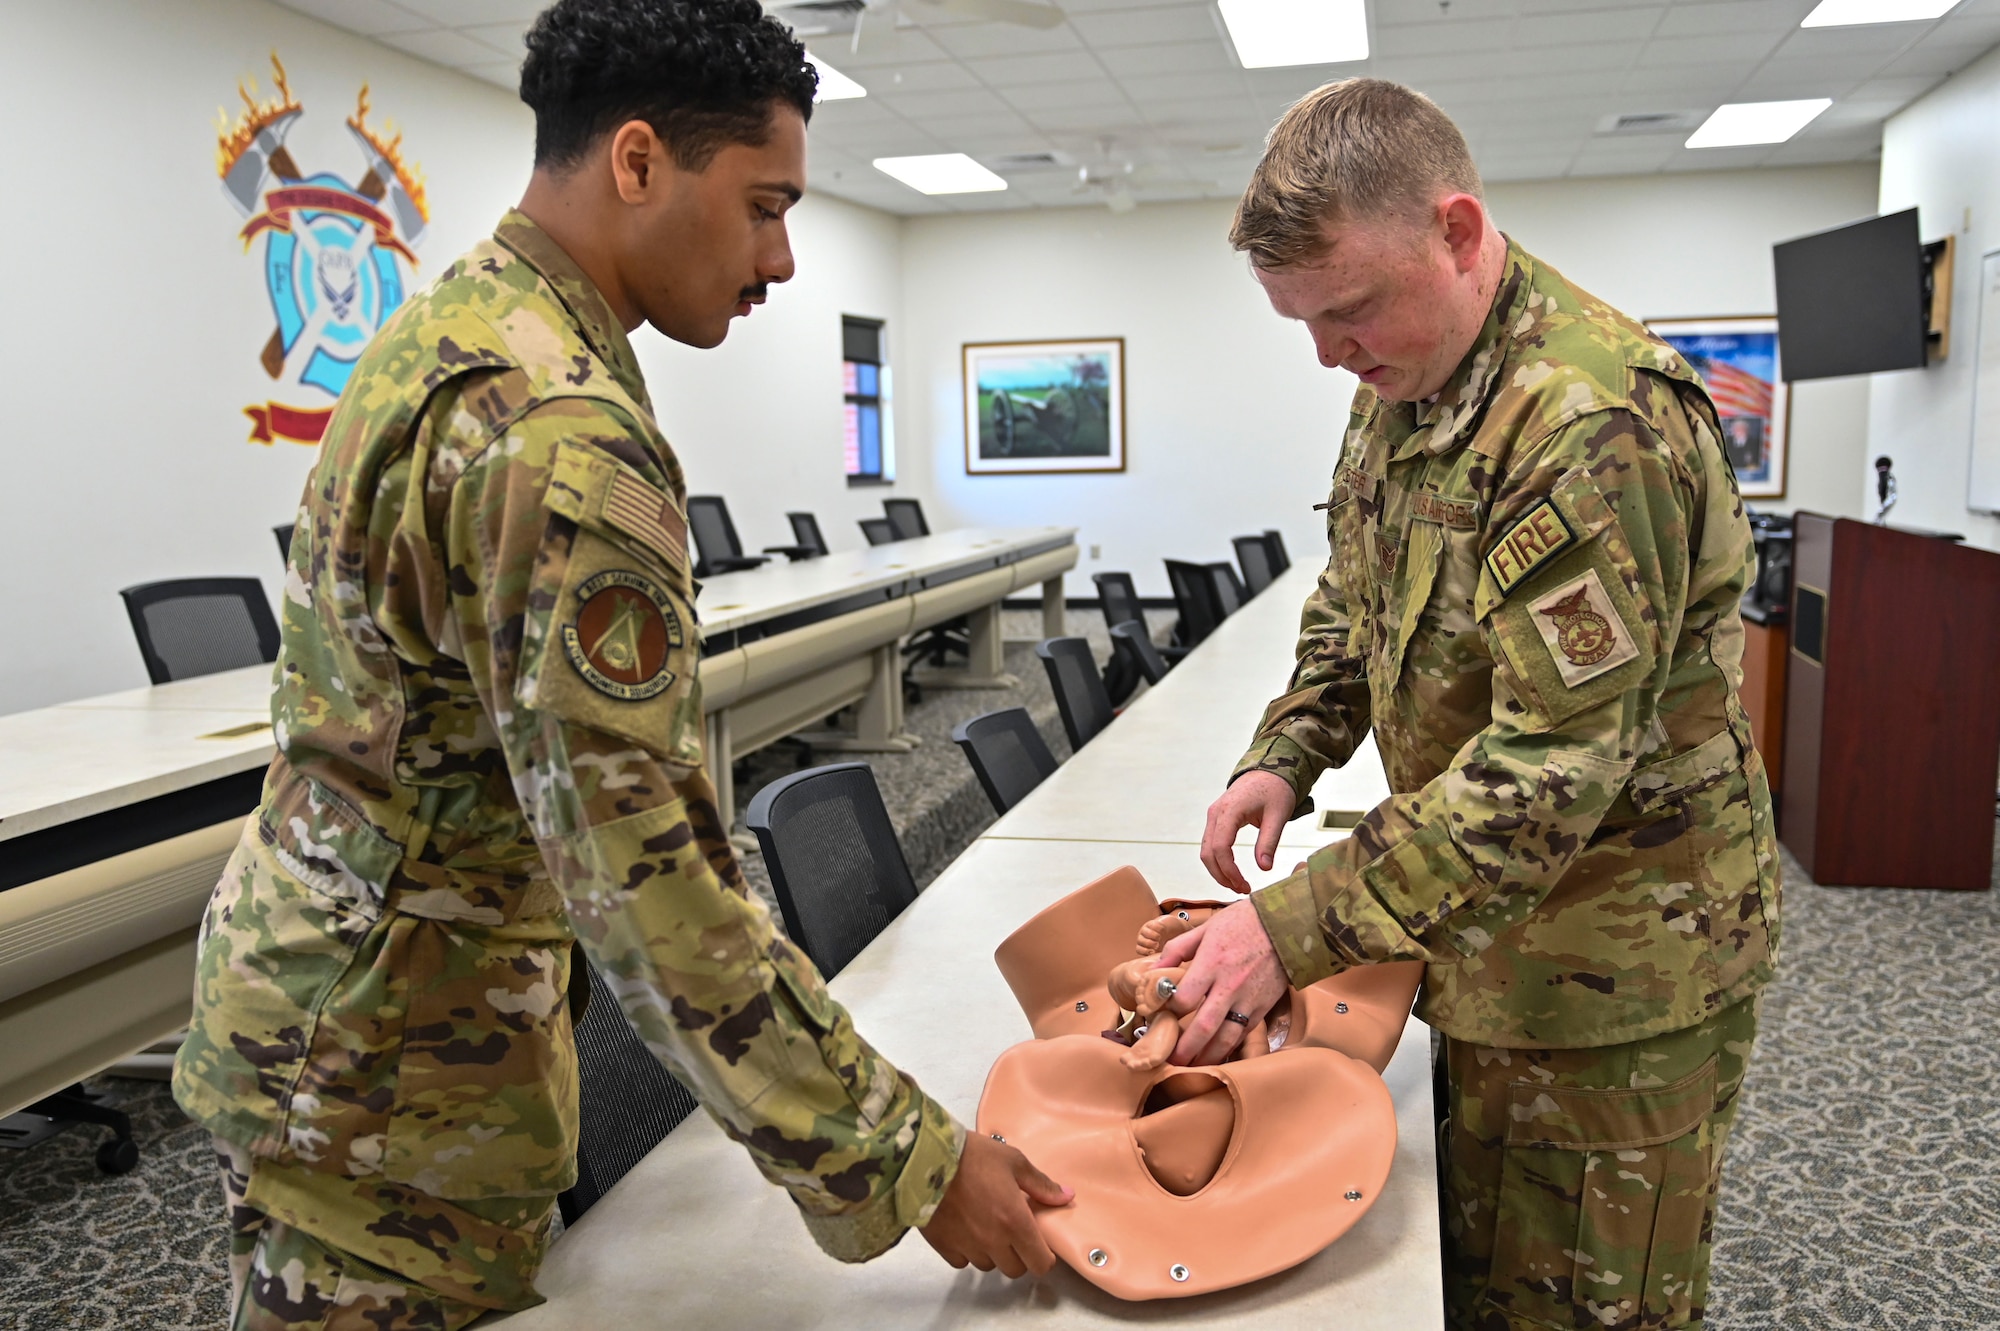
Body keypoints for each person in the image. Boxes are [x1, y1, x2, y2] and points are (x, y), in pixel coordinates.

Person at [172, 3, 1066, 1325]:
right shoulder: (556, 426)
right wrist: (911, 1160)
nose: (781, 259)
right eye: (764, 205)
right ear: (638, 161)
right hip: (396, 1085)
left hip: (337, 1015)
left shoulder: (453, 333)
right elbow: (640, 870)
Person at [1162, 80, 1779, 1331]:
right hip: (1484, 940)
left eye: (1345, 310)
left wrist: (1288, 926)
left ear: (1454, 229)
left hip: (1615, 968)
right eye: (1305, 325)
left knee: (1586, 1306)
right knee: (1482, 1279)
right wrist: (1285, 753)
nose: (1330, 352)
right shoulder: (1405, 371)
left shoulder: (1585, 423)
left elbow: (1550, 768)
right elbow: (1356, 594)